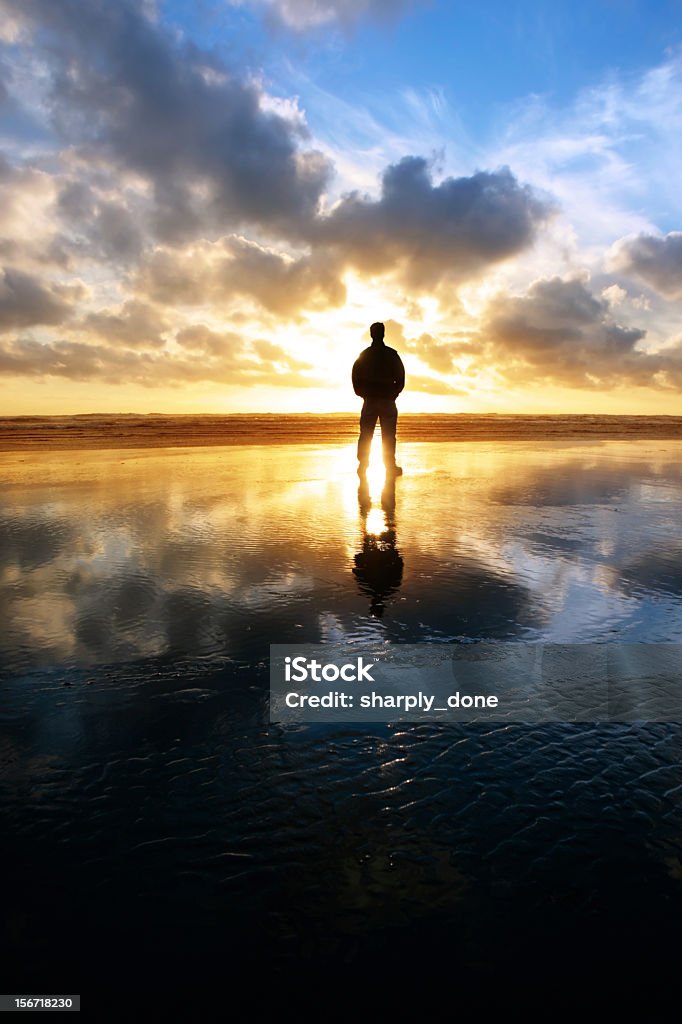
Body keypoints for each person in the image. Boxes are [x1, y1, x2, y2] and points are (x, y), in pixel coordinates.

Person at [352, 322, 405, 477]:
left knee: (366, 433)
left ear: (371, 334)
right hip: (387, 400)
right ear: (383, 334)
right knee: (388, 435)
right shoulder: (391, 354)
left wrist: (362, 393)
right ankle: (389, 465)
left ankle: (363, 464)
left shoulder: (364, 355)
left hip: (371, 400)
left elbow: (355, 377)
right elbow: (401, 377)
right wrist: (394, 393)